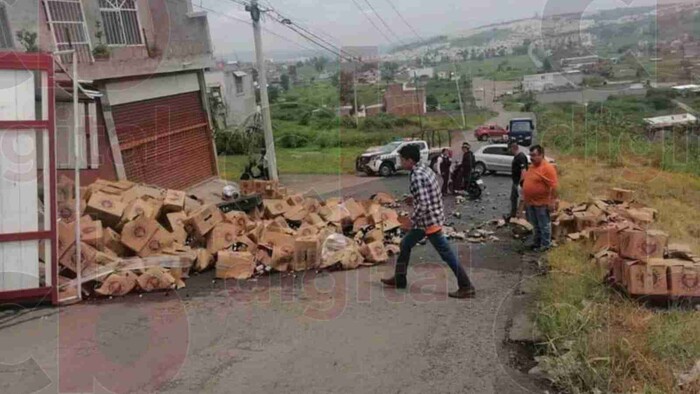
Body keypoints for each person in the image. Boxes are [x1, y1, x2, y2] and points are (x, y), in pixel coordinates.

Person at [381, 144, 476, 299]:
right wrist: (414, 198)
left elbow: (424, 205)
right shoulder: (424, 169)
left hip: (428, 221)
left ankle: (466, 286)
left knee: (446, 254)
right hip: (431, 217)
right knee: (405, 244)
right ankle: (399, 279)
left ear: (410, 160)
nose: (400, 162)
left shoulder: (417, 176)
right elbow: (432, 190)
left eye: (402, 159)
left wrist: (411, 221)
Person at [522, 145, 559, 252]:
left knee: (544, 225)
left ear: (541, 155)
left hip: (542, 203)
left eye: (534, 155)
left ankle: (545, 245)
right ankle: (536, 243)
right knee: (535, 225)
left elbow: (554, 186)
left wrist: (552, 201)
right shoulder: (532, 166)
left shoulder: (547, 168)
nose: (531, 158)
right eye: (530, 155)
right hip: (531, 202)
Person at [507, 140, 529, 221]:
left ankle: (519, 216)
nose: (509, 151)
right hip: (515, 181)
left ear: (513, 148)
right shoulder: (516, 157)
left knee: (521, 200)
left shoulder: (521, 157)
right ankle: (513, 214)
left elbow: (524, 171)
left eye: (509, 149)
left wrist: (521, 183)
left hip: (519, 182)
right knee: (513, 198)